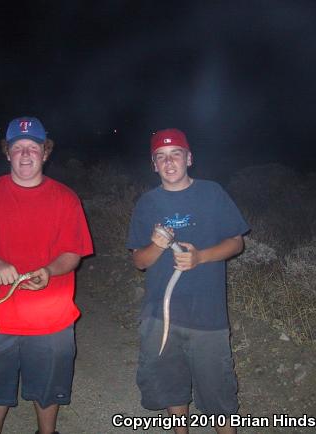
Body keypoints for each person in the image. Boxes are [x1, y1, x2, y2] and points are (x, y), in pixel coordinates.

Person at [0, 116, 93, 434]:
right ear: (7, 153)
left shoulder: (65, 198)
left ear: (45, 151)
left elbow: (72, 253)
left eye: (33, 147)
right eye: (17, 147)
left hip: (50, 318)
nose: (25, 154)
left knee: (48, 388)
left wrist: (50, 270)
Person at [126, 128, 249, 434]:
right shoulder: (147, 203)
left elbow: (237, 243)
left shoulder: (212, 193)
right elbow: (139, 262)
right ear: (154, 164)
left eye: (176, 154)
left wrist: (200, 257)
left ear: (189, 158)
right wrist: (157, 244)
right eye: (161, 157)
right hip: (161, 316)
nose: (169, 162)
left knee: (219, 397)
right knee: (171, 385)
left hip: (208, 316)